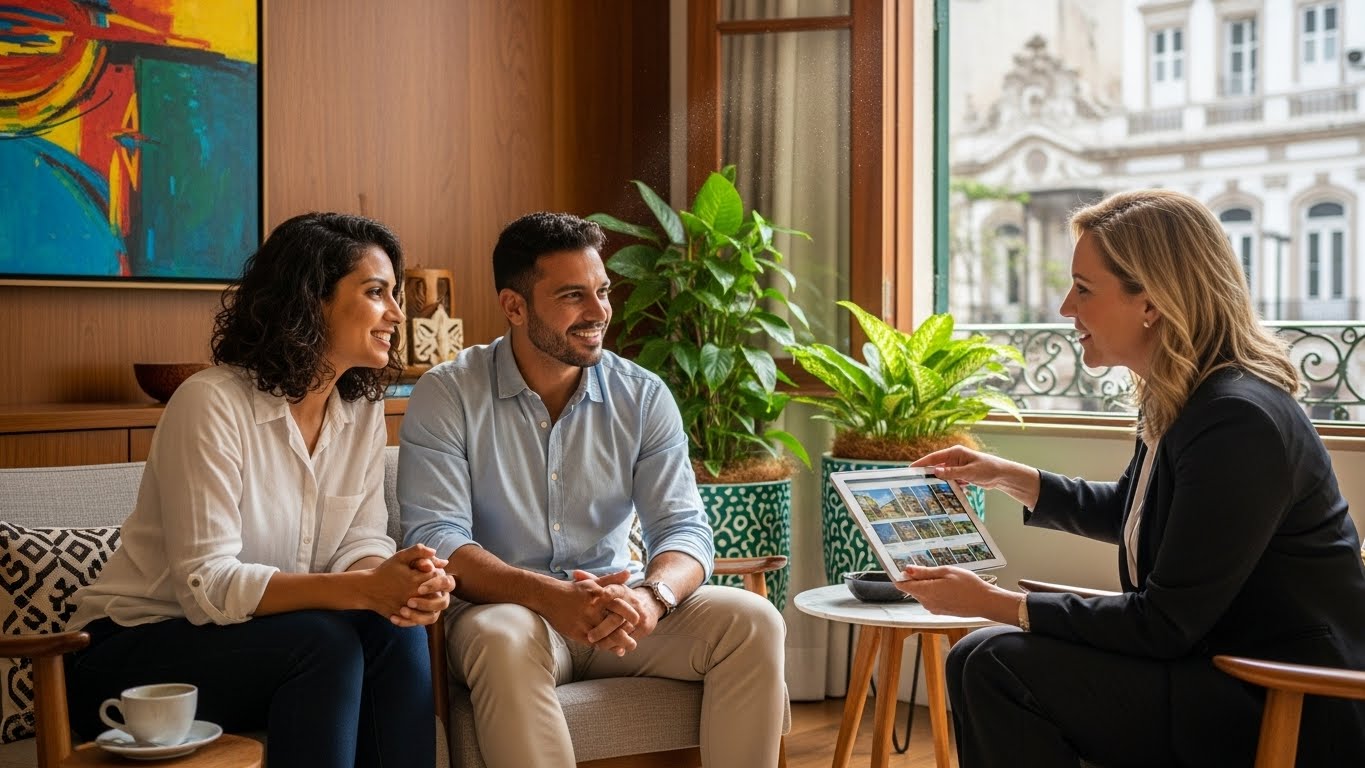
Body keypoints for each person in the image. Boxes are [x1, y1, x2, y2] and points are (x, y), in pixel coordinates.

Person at [896, 189, 1365, 768]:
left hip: (1280, 698)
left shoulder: (1238, 420)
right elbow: (1137, 514)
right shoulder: (1188, 398)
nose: (1067, 307)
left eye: (1084, 288)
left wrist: (995, 602)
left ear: (1152, 302)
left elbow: (1164, 624)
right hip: (1214, 667)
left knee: (994, 664)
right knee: (975, 658)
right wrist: (1006, 476)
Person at [65, 212, 454, 768]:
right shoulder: (210, 403)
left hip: (268, 641)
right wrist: (366, 590)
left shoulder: (362, 409)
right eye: (376, 292)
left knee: (391, 630)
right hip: (127, 655)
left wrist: (395, 584)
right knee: (326, 642)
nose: (397, 313)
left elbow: (358, 543)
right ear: (310, 300)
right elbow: (208, 588)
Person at [399, 211, 786, 768]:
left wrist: (653, 597)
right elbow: (438, 538)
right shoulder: (449, 393)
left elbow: (683, 528)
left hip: (621, 610)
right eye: (573, 296)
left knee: (753, 621)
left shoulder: (643, 396)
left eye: (603, 292)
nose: (599, 312)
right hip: (510, 611)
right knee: (504, 636)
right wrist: (550, 597)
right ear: (515, 306)